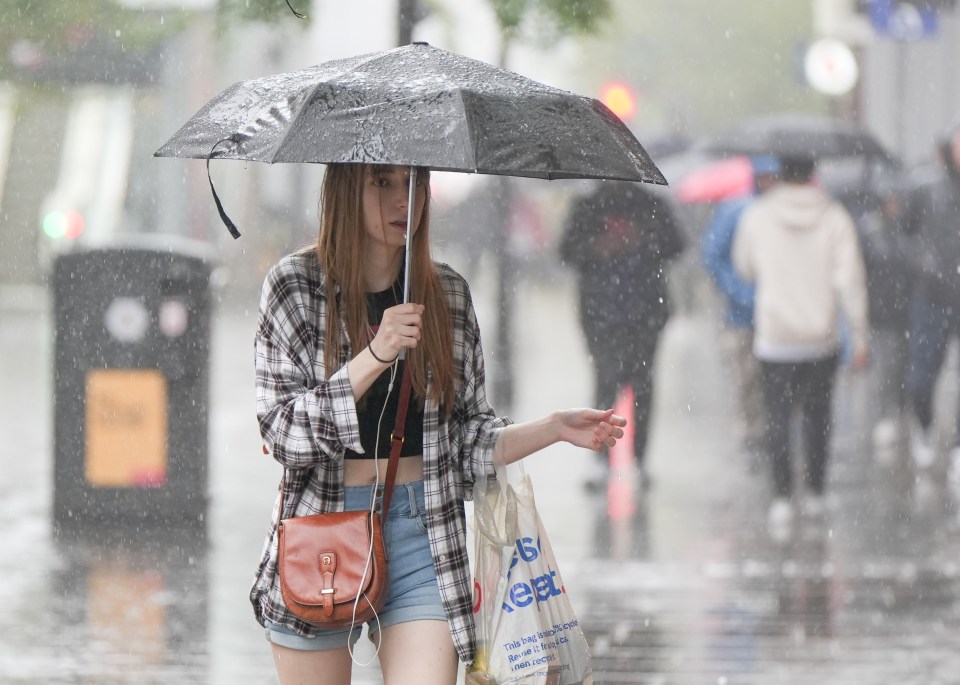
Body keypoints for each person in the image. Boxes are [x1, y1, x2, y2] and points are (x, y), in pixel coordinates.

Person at [248, 163, 627, 685]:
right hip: (321, 527)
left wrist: (553, 428)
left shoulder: (446, 294)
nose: (403, 200)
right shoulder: (294, 287)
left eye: (414, 183)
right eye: (382, 183)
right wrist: (375, 355)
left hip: (421, 528)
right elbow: (282, 433)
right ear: (344, 189)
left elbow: (464, 444)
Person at [733, 154, 869, 538]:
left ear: (779, 175)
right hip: (820, 337)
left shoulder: (758, 215)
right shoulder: (834, 216)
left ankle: (780, 497)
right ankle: (814, 492)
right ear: (813, 175)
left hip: (775, 336)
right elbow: (851, 280)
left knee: (777, 416)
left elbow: (744, 266)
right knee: (817, 416)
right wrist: (859, 335)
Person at [560, 180, 685, 490]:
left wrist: (641, 242)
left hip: (645, 312)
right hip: (601, 313)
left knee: (642, 386)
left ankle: (640, 460)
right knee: (606, 382)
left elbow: (676, 245)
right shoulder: (588, 205)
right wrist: (597, 247)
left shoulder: (652, 204)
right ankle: (600, 459)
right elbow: (566, 251)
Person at [700, 156, 780, 465]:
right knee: (748, 377)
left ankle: (774, 432)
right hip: (743, 315)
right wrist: (740, 292)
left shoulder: (781, 213)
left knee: (775, 378)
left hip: (778, 314)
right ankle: (752, 433)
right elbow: (714, 255)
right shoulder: (736, 211)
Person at [902, 125, 960, 476]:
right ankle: (921, 427)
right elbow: (903, 235)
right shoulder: (927, 190)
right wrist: (922, 262)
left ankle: (956, 447)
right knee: (924, 374)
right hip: (932, 295)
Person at [853, 173, 912, 457]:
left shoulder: (906, 229)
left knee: (903, 366)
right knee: (886, 368)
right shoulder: (869, 230)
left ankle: (900, 414)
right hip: (881, 311)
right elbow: (860, 270)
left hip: (907, 309)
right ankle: (885, 417)